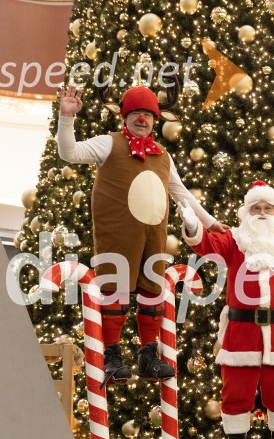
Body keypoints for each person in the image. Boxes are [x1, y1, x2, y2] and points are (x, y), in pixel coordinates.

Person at [56, 85, 228, 386]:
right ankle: (111, 356)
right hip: (117, 233)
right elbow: (68, 153)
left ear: (155, 120)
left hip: (153, 235)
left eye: (148, 114)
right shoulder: (108, 143)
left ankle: (148, 355)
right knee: (115, 290)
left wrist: (210, 222)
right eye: (136, 112)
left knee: (153, 292)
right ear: (125, 116)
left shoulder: (163, 155)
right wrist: (66, 118)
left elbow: (181, 194)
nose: (142, 119)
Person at [178, 180, 274, 439]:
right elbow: (206, 245)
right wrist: (192, 226)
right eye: (256, 208)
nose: (262, 213)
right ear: (246, 212)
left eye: (268, 208)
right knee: (235, 392)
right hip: (241, 332)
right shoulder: (235, 239)